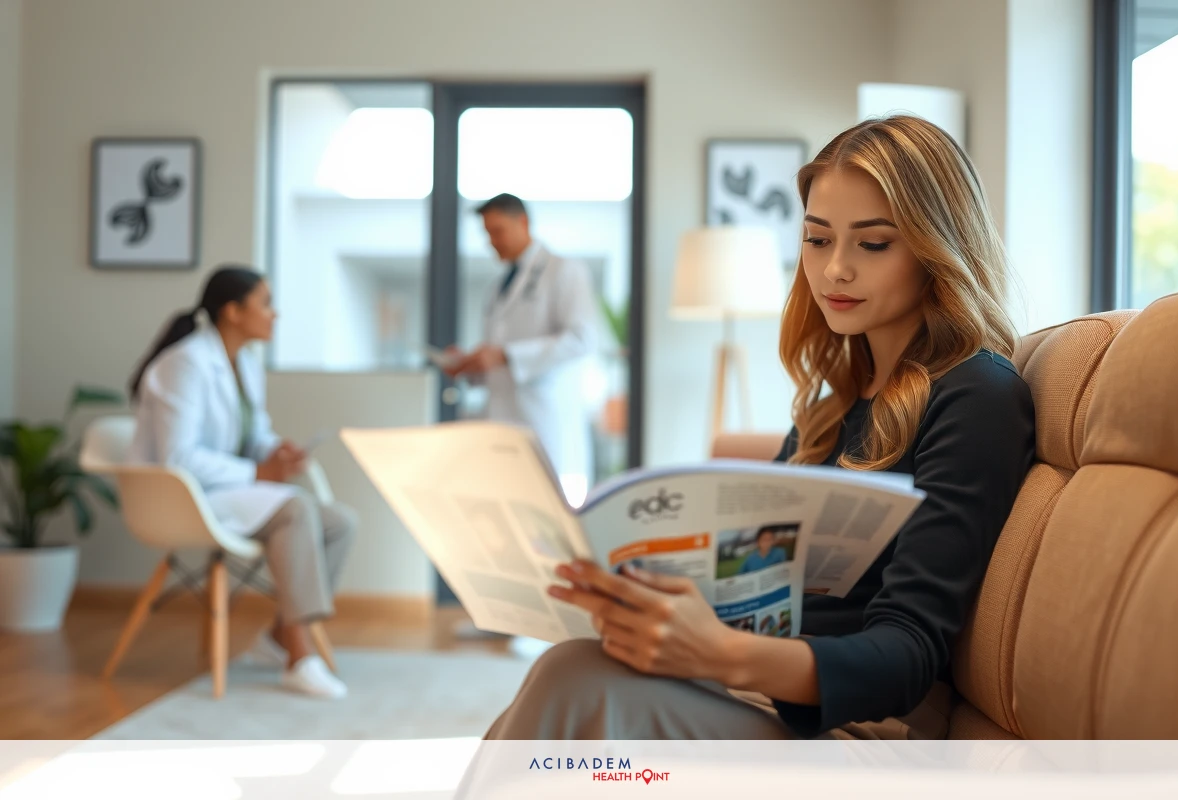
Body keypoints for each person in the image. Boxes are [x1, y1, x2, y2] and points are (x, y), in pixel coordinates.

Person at [472, 116, 1036, 741]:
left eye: (873, 244)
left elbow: (907, 654)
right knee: (576, 662)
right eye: (817, 240)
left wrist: (718, 653)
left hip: (863, 719)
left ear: (938, 248)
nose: (835, 269)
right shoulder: (835, 406)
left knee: (574, 679)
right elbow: (758, 586)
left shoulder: (976, 394)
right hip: (763, 682)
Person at [128, 266, 358, 699]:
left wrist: (275, 451)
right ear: (232, 312)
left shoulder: (246, 364)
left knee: (340, 522)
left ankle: (278, 636)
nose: (275, 314)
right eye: (265, 304)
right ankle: (299, 656)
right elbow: (179, 458)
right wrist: (256, 473)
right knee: (296, 509)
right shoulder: (186, 363)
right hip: (187, 498)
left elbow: (251, 436)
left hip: (230, 491)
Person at [442, 193, 601, 505]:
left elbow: (582, 339)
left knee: (547, 517)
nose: (492, 242)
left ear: (523, 222)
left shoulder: (564, 271)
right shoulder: (498, 287)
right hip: (502, 422)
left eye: (497, 231)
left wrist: (505, 356)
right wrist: (472, 365)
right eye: (487, 234)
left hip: (545, 423)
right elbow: (499, 360)